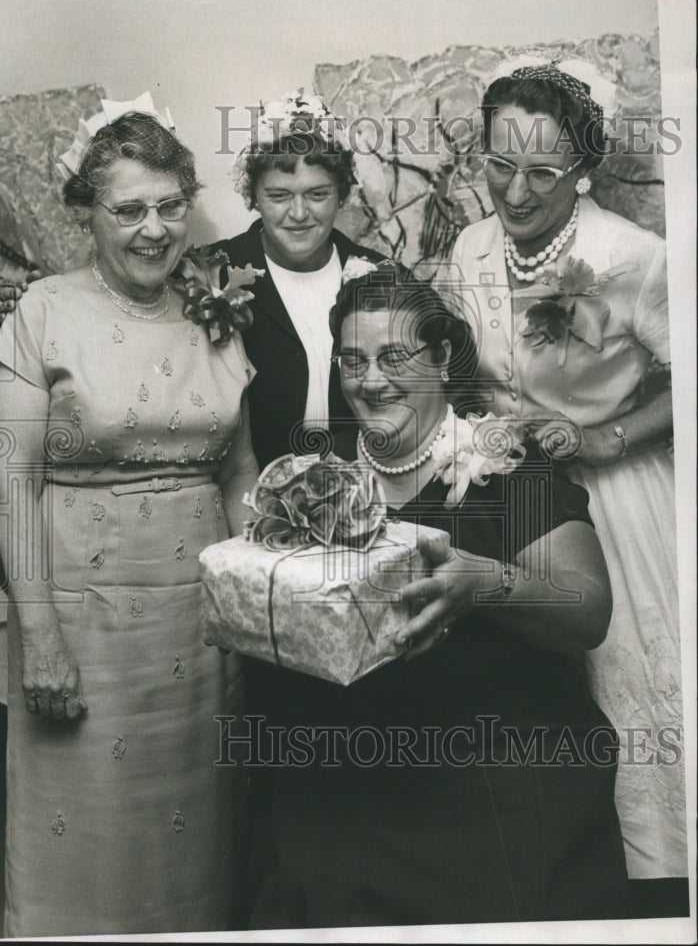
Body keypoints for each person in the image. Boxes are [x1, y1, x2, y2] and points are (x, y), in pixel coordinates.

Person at [246, 262, 629, 928]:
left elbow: (587, 606)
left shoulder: (503, 464)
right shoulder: (319, 471)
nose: (371, 380)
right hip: (354, 788)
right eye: (354, 360)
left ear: (443, 357)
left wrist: (485, 585)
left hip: (493, 787)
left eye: (394, 356)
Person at [0, 98, 259, 937]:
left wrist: (259, 604)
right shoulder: (44, 311)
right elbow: (11, 481)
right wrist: (44, 639)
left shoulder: (215, 304)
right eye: (129, 209)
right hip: (82, 632)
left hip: (203, 634)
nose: (154, 229)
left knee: (201, 851)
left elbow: (239, 468)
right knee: (87, 856)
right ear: (86, 213)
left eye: (171, 205)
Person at [444, 55, 686, 915]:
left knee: (629, 696)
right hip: (520, 504)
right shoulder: (471, 249)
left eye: (541, 173)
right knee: (536, 706)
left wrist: (601, 432)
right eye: (498, 166)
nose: (514, 192)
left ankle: (655, 899)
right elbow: (463, 372)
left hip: (620, 501)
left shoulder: (633, 257)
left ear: (583, 170)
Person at [209, 92, 385, 468]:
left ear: (342, 194)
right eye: (279, 196)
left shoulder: (380, 274)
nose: (300, 213)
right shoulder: (216, 271)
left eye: (317, 194)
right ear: (253, 196)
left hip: (360, 484)